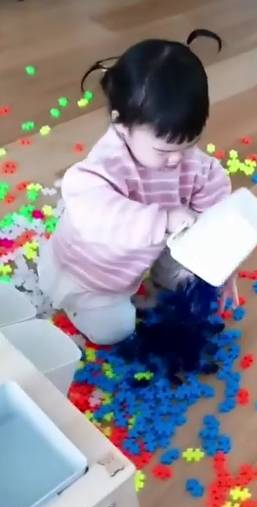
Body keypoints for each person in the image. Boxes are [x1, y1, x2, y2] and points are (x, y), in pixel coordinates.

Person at [38, 29, 238, 346]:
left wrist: (223, 262)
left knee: (191, 247)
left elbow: (215, 202)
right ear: (121, 124)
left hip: (145, 251)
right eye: (164, 150)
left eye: (189, 144)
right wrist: (164, 219)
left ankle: (165, 270)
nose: (177, 159)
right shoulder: (106, 165)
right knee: (115, 331)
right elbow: (97, 217)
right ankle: (71, 298)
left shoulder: (191, 163)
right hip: (90, 274)